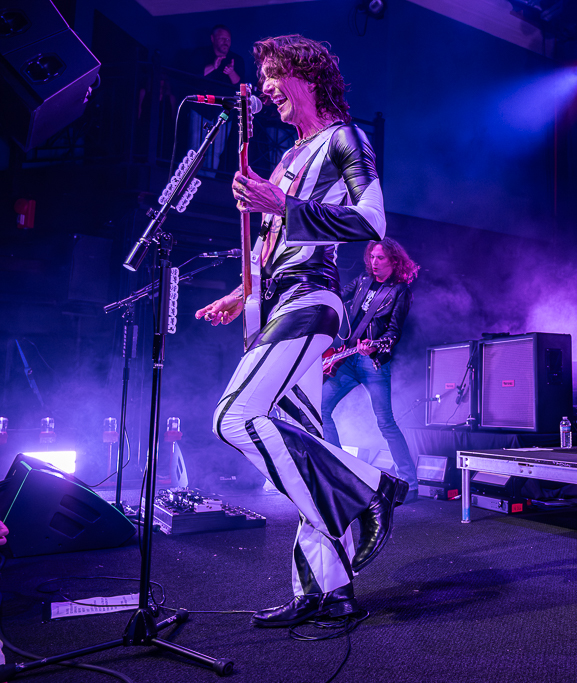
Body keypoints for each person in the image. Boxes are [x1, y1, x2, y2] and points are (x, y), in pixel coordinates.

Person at [195, 34, 404, 629]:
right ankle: (325, 592)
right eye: (260, 77)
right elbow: (272, 243)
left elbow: (371, 221)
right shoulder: (289, 156)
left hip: (312, 302)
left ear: (306, 75)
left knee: (233, 419)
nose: (264, 89)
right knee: (303, 451)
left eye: (271, 75)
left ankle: (370, 490)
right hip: (276, 301)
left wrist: (279, 205)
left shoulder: (345, 139)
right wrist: (244, 293)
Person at [322, 238, 419, 502]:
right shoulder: (363, 282)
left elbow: (393, 332)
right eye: (372, 257)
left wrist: (375, 346)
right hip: (346, 358)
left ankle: (410, 484)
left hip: (372, 362)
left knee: (385, 423)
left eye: (381, 258)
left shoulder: (399, 291)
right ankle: (341, 474)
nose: (374, 263)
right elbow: (337, 298)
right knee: (321, 410)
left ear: (394, 261)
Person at [190, 25, 244, 174]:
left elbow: (241, 86)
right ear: (213, 39)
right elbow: (193, 77)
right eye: (222, 39)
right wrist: (213, 66)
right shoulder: (201, 54)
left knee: (215, 152)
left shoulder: (236, 60)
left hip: (223, 113)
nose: (225, 42)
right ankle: (190, 182)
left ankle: (207, 184)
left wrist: (232, 72)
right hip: (201, 110)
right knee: (196, 148)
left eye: (228, 39)